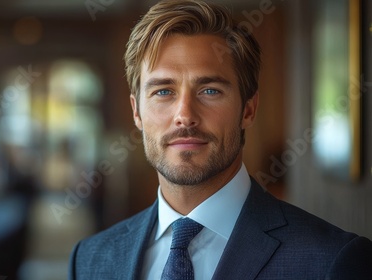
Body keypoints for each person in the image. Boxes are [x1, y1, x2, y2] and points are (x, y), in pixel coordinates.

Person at [68, 0, 372, 279]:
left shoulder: (332, 261)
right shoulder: (90, 260)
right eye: (163, 91)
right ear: (137, 112)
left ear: (248, 110)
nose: (184, 115)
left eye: (210, 90)